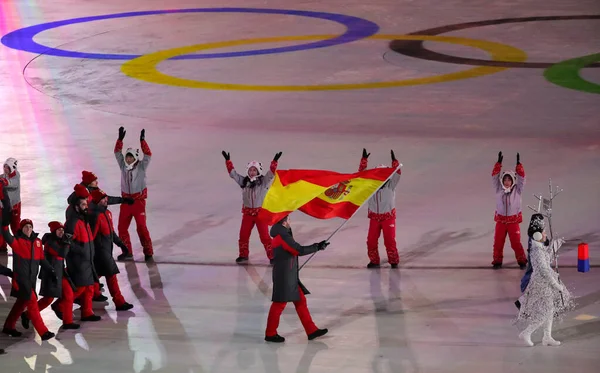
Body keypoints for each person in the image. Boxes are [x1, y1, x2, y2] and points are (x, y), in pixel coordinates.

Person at [265, 215, 329, 343]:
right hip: (285, 275)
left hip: (289, 274)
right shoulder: (282, 235)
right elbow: (297, 250)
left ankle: (311, 330)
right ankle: (270, 333)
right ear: (284, 222)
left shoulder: (282, 232)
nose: (290, 221)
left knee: (300, 301)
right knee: (279, 304)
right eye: (288, 219)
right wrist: (317, 246)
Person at [516, 220, 573, 346]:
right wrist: (555, 285)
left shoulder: (539, 248)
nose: (545, 234)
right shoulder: (537, 251)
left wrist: (555, 245)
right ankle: (527, 332)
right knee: (546, 311)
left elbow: (547, 256)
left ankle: (547, 337)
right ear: (537, 235)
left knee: (550, 309)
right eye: (544, 232)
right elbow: (544, 270)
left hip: (544, 283)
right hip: (541, 284)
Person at [0, 214, 57, 341]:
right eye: (25, 227)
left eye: (30, 226)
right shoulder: (17, 242)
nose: (28, 229)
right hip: (21, 280)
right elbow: (6, 235)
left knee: (21, 302)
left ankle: (9, 326)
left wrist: (51, 270)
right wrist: (4, 223)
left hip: (31, 280)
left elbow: (42, 260)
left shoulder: (37, 243)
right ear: (21, 229)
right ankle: (43, 332)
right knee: (32, 303)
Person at [222, 150, 282, 264]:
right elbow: (233, 174)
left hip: (260, 214)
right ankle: (243, 255)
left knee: (264, 237)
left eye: (254, 170)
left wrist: (274, 162)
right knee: (243, 235)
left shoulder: (263, 182)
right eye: (250, 170)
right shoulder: (244, 181)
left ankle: (272, 256)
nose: (252, 172)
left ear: (258, 171)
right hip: (248, 214)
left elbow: (271, 174)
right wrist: (228, 162)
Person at [55, 184, 102, 324]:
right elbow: (67, 242)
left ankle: (87, 312)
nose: (86, 206)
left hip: (87, 259)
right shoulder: (73, 222)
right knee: (81, 287)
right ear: (76, 206)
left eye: (86, 203)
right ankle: (59, 305)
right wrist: (81, 250)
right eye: (83, 204)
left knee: (89, 287)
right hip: (78, 261)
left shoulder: (84, 219)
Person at [21, 221, 80, 330]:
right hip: (50, 275)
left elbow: (73, 249)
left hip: (61, 274)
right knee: (48, 299)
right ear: (53, 231)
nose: (62, 232)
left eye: (62, 229)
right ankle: (27, 314)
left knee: (69, 294)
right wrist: (67, 242)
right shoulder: (50, 243)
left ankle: (68, 322)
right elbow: (62, 253)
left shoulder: (60, 241)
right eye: (59, 230)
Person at [88, 189, 134, 311]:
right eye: (103, 198)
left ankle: (77, 298)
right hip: (101, 252)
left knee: (93, 277)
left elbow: (111, 232)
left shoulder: (107, 213)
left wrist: (121, 245)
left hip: (106, 251)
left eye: (106, 197)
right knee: (111, 275)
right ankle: (119, 302)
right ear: (97, 201)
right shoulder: (96, 216)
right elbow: (91, 237)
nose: (106, 199)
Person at [114, 126, 153, 261]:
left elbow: (148, 154)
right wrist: (120, 140)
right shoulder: (123, 166)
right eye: (127, 157)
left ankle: (148, 251)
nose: (128, 159)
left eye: (130, 157)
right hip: (126, 202)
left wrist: (142, 141)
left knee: (141, 227)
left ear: (135, 157)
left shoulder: (141, 166)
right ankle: (127, 251)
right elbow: (117, 152)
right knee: (121, 228)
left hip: (138, 202)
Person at [358, 149, 402, 268]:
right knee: (371, 241)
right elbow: (361, 176)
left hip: (388, 217)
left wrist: (395, 162)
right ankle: (374, 261)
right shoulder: (370, 186)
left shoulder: (391, 185)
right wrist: (364, 162)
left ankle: (393, 261)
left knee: (390, 242)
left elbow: (398, 173)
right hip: (374, 218)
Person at [491, 152, 527, 269]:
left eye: (509, 180)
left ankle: (522, 260)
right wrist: (498, 165)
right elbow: (494, 177)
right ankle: (497, 261)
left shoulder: (517, 190)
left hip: (513, 222)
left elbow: (522, 179)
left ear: (512, 181)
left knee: (516, 243)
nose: (507, 182)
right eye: (505, 180)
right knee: (498, 243)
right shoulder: (498, 189)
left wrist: (519, 167)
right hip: (501, 221)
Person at [66, 170, 135, 221]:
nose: (97, 182)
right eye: (94, 180)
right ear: (89, 182)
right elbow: (71, 202)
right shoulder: (81, 193)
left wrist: (123, 200)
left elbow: (106, 199)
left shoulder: (94, 189)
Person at [0, 158, 20, 252]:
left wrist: (5, 182)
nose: (5, 169)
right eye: (4, 166)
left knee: (15, 227)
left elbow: (13, 184)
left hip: (14, 206)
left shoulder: (16, 176)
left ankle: (19, 245)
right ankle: (2, 246)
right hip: (4, 206)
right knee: (3, 225)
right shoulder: (2, 176)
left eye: (7, 167)